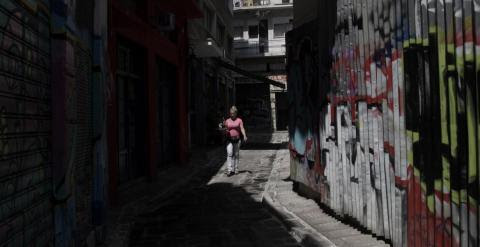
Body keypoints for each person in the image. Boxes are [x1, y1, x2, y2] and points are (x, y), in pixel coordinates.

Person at [223, 106, 247, 176]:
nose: (231, 115)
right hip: (229, 139)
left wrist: (244, 135)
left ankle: (236, 169)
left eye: (233, 113)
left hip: (237, 139)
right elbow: (225, 130)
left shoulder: (239, 120)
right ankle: (229, 170)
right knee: (229, 153)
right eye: (230, 113)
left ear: (236, 113)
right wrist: (224, 129)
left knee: (236, 154)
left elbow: (242, 128)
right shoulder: (227, 121)